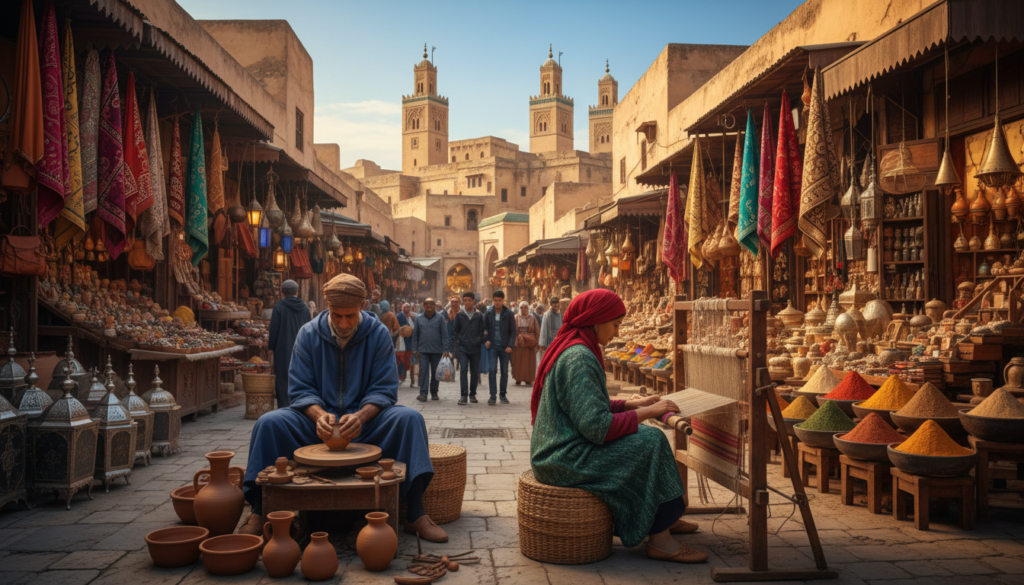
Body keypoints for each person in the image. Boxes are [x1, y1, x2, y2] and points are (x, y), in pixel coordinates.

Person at [241, 273, 447, 542]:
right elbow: (300, 388)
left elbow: (385, 388)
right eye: (337, 316)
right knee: (268, 423)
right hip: (316, 426)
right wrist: (318, 415)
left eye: (350, 316)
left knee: (410, 419)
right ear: (328, 307)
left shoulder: (378, 335)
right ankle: (259, 511)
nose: (344, 323)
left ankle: (415, 513)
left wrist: (361, 416)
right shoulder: (308, 333)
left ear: (362, 307)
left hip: (365, 425)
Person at [529, 289, 705, 563]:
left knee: (651, 439)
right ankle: (660, 539)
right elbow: (598, 427)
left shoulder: (578, 348)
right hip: (561, 457)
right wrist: (649, 412)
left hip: (567, 446)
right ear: (597, 321)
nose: (616, 331)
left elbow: (588, 406)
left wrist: (630, 405)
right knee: (650, 442)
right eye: (615, 324)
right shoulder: (579, 358)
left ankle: (665, 517)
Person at [268, 280, 311, 408]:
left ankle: (284, 409)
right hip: (302, 350)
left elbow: (274, 329)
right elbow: (310, 329)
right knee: (300, 378)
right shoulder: (304, 307)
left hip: (282, 350)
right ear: (297, 292)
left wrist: (271, 348)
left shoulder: (279, 307)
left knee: (282, 380)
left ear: (282, 292)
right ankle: (300, 406)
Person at [411, 298, 449, 402]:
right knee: (423, 372)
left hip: (437, 351)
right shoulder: (418, 318)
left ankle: (434, 392)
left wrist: (445, 349)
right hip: (423, 351)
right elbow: (415, 335)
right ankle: (423, 393)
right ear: (423, 305)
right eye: (427, 304)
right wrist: (415, 350)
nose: (429, 306)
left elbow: (445, 335)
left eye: (431, 304)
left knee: (436, 373)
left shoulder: (440, 318)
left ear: (435, 306)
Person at [483, 290, 516, 405]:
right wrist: (486, 339)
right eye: (495, 300)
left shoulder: (509, 314)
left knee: (504, 372)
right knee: (492, 370)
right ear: (493, 300)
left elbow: (513, 331)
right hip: (492, 347)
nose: (497, 302)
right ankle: (492, 395)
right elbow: (484, 328)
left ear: (503, 300)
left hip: (504, 348)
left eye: (499, 300)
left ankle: (502, 394)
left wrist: (510, 345)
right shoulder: (488, 312)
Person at [452, 291, 483, 405]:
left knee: (474, 371)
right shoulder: (460, 315)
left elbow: (482, 331)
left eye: (469, 300)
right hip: (463, 348)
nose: (467, 303)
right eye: (465, 300)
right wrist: (457, 343)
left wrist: (479, 340)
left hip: (475, 348)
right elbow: (455, 331)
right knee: (463, 370)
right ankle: (463, 395)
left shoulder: (479, 315)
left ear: (474, 301)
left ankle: (473, 394)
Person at [512, 301, 539, 386]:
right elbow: (511, 331)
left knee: (529, 362)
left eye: (525, 307)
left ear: (528, 308)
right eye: (521, 307)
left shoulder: (533, 318)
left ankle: (528, 379)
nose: (523, 309)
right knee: (517, 361)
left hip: (530, 344)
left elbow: (537, 331)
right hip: (519, 344)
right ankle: (518, 378)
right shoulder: (515, 317)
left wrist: (537, 344)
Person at [539, 297, 567, 363]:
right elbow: (544, 329)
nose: (556, 304)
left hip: (559, 342)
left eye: (557, 302)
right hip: (550, 342)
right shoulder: (547, 315)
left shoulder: (561, 314)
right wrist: (542, 344)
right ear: (551, 304)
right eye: (554, 303)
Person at [397, 303, 415, 387]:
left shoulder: (411, 317)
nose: (407, 309)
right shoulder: (399, 317)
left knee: (409, 360)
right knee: (403, 360)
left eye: (408, 307)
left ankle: (411, 379)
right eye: (405, 307)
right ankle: (401, 376)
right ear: (402, 308)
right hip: (402, 342)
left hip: (410, 342)